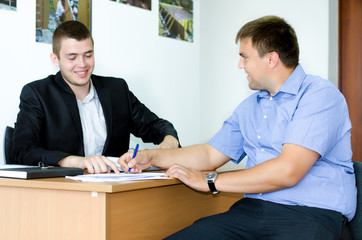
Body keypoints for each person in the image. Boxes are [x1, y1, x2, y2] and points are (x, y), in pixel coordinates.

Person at [119, 15, 356, 239]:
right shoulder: (250, 107)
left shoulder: (319, 95)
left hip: (312, 215)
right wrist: (152, 157)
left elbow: (288, 171)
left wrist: (210, 181)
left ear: (271, 59)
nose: (240, 65)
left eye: (245, 57)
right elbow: (210, 154)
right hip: (253, 211)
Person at [11, 20, 180, 174]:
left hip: (114, 189)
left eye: (88, 55)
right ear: (55, 59)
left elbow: (156, 125)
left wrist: (170, 140)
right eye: (72, 57)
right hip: (63, 192)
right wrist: (71, 161)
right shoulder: (37, 94)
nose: (82, 64)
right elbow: (21, 150)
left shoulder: (117, 90)